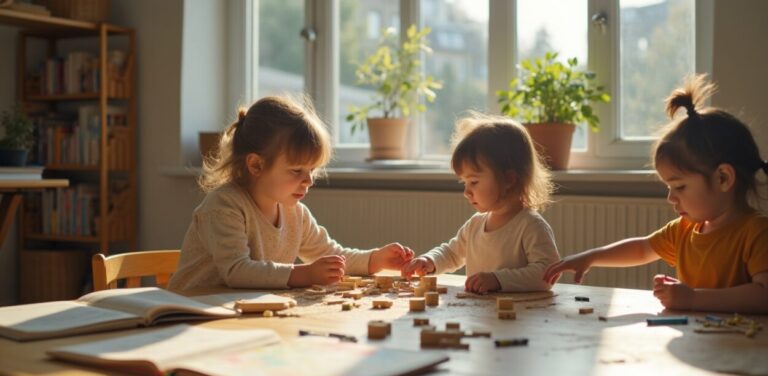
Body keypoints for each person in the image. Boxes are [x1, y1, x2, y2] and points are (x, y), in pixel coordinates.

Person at [543, 75, 768, 314]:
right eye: (668, 188)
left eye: (679, 187)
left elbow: (763, 296)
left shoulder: (756, 232)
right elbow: (642, 249)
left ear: (723, 178)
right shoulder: (684, 230)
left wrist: (692, 299)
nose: (671, 198)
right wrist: (591, 257)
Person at [169, 96, 413, 291]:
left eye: (312, 170)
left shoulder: (295, 212)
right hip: (190, 315)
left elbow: (332, 257)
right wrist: (304, 273)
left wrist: (375, 260)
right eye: (296, 170)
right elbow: (236, 271)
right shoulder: (223, 206)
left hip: (239, 315)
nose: (308, 180)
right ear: (256, 165)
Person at [401, 113, 559, 294]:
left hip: (518, 317)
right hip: (479, 315)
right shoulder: (476, 224)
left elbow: (547, 272)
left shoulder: (530, 225)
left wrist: (498, 280)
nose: (466, 192)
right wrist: (430, 261)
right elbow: (452, 254)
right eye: (464, 183)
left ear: (509, 179)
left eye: (474, 182)